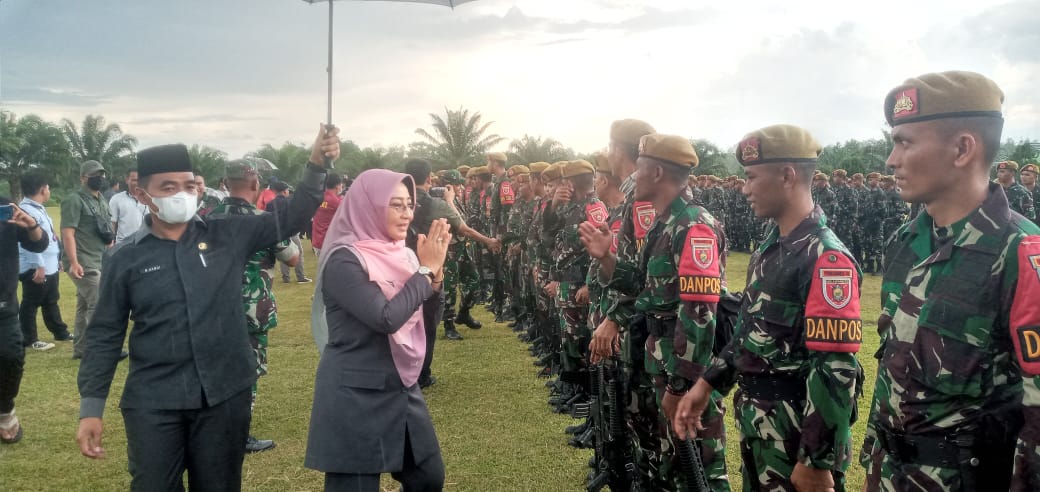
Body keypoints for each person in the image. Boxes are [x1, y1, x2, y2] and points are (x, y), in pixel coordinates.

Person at [76, 126, 339, 490]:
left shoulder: (227, 234)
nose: (180, 195)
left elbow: (291, 218)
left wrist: (315, 164)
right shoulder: (125, 259)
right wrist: (91, 407)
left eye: (187, 185)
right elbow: (105, 334)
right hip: (155, 401)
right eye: (167, 188)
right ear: (141, 193)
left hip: (224, 396)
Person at [857, 71, 1040, 491]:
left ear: (962, 149)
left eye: (904, 142)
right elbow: (893, 372)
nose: (891, 160)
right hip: (887, 474)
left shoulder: (1020, 253)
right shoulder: (906, 242)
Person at [674, 124, 864, 492]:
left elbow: (836, 367)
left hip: (795, 440)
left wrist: (816, 460)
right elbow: (749, 332)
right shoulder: (771, 248)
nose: (744, 189)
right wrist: (707, 383)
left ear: (787, 176)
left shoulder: (826, 258)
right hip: (761, 431)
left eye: (751, 177)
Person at [581, 135, 729, 489]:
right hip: (662, 363)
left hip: (685, 376)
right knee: (672, 467)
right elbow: (646, 288)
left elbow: (699, 313)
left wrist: (681, 384)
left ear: (658, 172)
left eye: (641, 168)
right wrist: (607, 257)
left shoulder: (694, 227)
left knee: (700, 471)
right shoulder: (665, 224)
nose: (633, 177)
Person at [306, 169, 450, 492]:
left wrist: (435, 277)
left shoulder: (404, 254)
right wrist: (425, 272)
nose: (407, 213)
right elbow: (386, 318)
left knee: (428, 477)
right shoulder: (344, 261)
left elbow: (425, 314)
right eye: (396, 204)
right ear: (369, 205)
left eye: (409, 204)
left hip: (400, 386)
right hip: (355, 394)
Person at [207, 159, 302, 454]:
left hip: (214, 308)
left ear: (225, 182)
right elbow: (293, 258)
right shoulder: (263, 221)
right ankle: (240, 434)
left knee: (219, 368)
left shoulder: (207, 219)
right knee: (249, 371)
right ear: (255, 183)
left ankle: (213, 427)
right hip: (252, 309)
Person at [404, 159, 499, 382]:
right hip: (431, 263)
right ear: (429, 179)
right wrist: (488, 241)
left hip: (402, 263)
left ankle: (406, 368)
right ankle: (423, 373)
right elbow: (463, 228)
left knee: (405, 318)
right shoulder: (437, 204)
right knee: (427, 318)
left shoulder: (399, 200)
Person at [1, 197, 49, 444]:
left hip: (4, 303)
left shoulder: (6, 208)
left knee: (11, 355)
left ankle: (5, 407)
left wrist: (30, 225)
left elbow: (40, 244)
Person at [61, 160, 115, 360]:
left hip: (100, 258)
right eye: (94, 175)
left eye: (101, 174)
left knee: (84, 306)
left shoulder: (101, 200)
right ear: (83, 178)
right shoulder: (74, 200)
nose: (99, 178)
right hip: (83, 261)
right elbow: (67, 233)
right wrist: (74, 262)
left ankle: (82, 349)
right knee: (99, 303)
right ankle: (101, 349)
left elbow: (106, 232)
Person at [18, 172, 71, 351]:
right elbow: (27, 243)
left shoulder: (38, 208)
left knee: (50, 300)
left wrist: (57, 259)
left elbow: (50, 237)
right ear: (42, 189)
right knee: (30, 303)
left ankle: (60, 331)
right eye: (48, 187)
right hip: (36, 266)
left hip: (49, 265)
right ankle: (29, 339)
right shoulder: (25, 210)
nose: (49, 190)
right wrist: (38, 265)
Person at [267, 181, 311, 283]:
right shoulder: (289, 202)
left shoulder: (270, 204)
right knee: (298, 252)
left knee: (283, 253)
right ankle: (300, 276)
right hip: (291, 232)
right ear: (284, 191)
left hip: (278, 233)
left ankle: (286, 277)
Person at [109, 167, 149, 243]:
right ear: (127, 180)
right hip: (123, 246)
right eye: (134, 180)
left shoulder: (150, 199)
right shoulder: (116, 199)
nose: (138, 183)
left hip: (145, 245)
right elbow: (112, 225)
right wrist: (111, 246)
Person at [312, 173, 344, 254]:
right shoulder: (336, 201)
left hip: (317, 241)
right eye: (341, 185)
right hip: (329, 242)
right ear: (337, 186)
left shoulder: (319, 196)